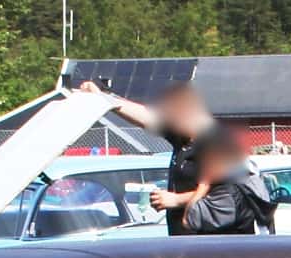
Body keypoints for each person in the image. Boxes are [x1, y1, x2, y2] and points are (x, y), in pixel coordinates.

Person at [78, 79, 243, 235]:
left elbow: (229, 195)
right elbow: (146, 117)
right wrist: (104, 99)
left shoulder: (216, 142)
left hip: (213, 243)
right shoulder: (181, 137)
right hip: (184, 239)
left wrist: (176, 200)